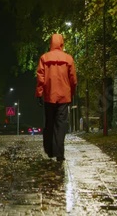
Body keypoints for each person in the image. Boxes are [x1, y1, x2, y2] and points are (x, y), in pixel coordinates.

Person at [35, 33, 77, 162]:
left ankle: (49, 149)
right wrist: (72, 93)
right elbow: (73, 79)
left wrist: (39, 93)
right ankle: (59, 152)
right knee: (61, 124)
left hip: (49, 95)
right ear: (62, 43)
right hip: (64, 96)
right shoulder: (68, 58)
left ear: (51, 43)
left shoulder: (44, 58)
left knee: (49, 123)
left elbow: (40, 77)